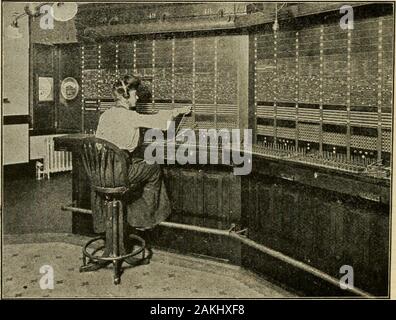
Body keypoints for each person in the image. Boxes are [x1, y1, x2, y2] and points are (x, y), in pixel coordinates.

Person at [94, 76, 191, 234]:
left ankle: (111, 224)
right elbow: (160, 122)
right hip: (118, 175)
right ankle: (143, 219)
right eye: (134, 94)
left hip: (100, 173)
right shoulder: (130, 116)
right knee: (153, 167)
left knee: (138, 164)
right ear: (126, 97)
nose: (137, 97)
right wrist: (178, 111)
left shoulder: (105, 115)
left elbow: (99, 144)